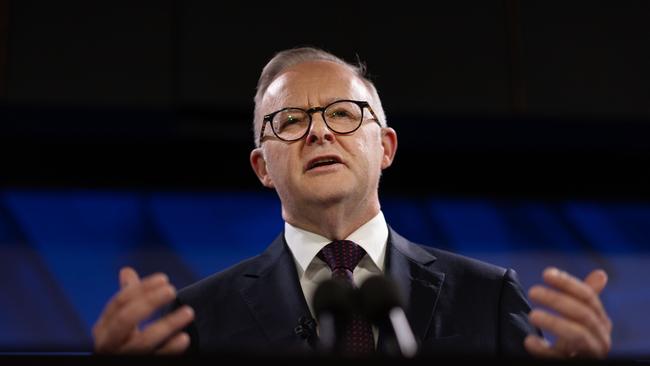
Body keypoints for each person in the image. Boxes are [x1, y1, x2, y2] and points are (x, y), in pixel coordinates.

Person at [92, 47, 612, 359]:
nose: (318, 132)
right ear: (262, 168)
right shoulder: (199, 317)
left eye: (342, 113)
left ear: (384, 147)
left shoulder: (489, 298)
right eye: (291, 122)